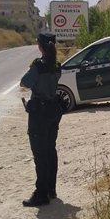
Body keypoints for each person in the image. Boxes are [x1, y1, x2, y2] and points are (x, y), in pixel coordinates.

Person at [20, 32, 63, 206]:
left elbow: (24, 83)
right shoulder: (57, 65)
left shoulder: (38, 66)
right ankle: (51, 189)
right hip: (53, 110)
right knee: (50, 150)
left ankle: (41, 193)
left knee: (40, 154)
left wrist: (34, 68)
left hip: (39, 113)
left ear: (40, 46)